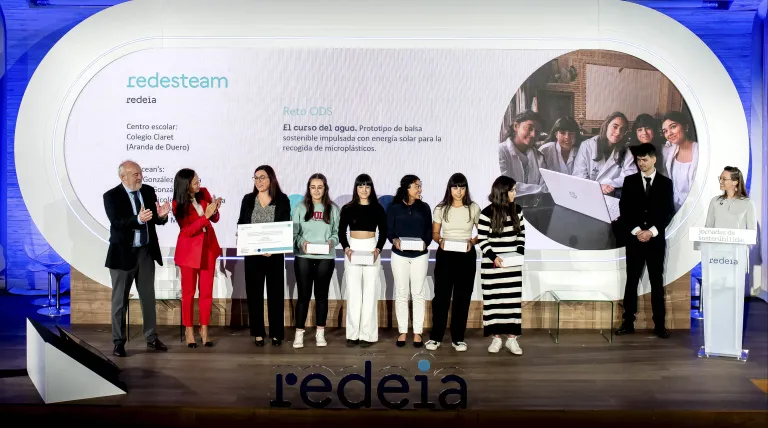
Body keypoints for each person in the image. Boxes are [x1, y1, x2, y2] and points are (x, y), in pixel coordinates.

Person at [103, 160, 170, 357]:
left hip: (145, 253)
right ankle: (118, 342)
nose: (140, 177)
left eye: (140, 173)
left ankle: (151, 337)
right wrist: (138, 219)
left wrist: (161, 216)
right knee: (120, 301)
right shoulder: (111, 196)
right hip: (123, 255)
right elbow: (117, 222)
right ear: (123, 177)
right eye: (135, 174)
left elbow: (154, 218)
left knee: (148, 298)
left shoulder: (148, 191)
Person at [616, 143, 675, 339]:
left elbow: (668, 211)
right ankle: (627, 322)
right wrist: (637, 231)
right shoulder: (630, 181)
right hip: (634, 240)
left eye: (644, 159)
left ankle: (659, 325)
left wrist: (651, 231)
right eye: (638, 160)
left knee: (656, 282)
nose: (641, 163)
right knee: (631, 281)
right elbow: (624, 210)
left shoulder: (665, 183)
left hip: (655, 241)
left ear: (654, 159)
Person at [425, 173, 480, 352]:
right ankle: (436, 337)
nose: (459, 191)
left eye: (462, 187)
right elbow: (435, 233)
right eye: (455, 187)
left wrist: (472, 242)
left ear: (466, 189)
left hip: (466, 256)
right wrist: (440, 240)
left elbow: (482, 232)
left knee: (462, 298)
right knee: (441, 297)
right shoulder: (441, 208)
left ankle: (458, 338)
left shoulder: (473, 208)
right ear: (449, 188)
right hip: (446, 255)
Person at [237, 165, 291, 347]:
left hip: (274, 256)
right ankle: (258, 333)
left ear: (271, 179)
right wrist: (240, 234)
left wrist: (274, 248)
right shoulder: (248, 199)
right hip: (253, 255)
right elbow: (241, 223)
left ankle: (276, 333)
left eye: (262, 177)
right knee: (254, 295)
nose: (258, 181)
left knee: (276, 295)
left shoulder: (282, 200)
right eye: (256, 178)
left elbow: (285, 225)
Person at [172, 169, 222, 348]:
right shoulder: (177, 204)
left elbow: (215, 219)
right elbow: (188, 231)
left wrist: (215, 209)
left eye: (198, 180)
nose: (198, 184)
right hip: (189, 252)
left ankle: (204, 330)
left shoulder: (204, 193)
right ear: (185, 185)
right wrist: (206, 216)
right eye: (195, 182)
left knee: (206, 292)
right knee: (188, 293)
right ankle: (189, 330)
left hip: (208, 249)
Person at [477, 176, 526, 355]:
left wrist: (518, 255)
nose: (515, 193)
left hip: (512, 267)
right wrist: (493, 257)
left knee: (512, 302)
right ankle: (496, 338)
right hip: (493, 267)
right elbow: (482, 240)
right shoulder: (486, 213)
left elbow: (521, 235)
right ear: (503, 192)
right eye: (512, 190)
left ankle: (512, 339)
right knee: (494, 302)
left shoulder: (517, 210)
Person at [292, 173, 340, 349]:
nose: (316, 191)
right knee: (303, 296)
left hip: (325, 257)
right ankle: (299, 334)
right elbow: (294, 233)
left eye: (320, 187)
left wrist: (331, 242)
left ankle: (320, 333)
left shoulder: (333, 209)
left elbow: (337, 233)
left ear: (325, 189)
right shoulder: (300, 208)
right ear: (309, 188)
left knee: (321, 296)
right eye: (313, 187)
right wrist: (301, 242)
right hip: (304, 257)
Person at [339, 174, 387, 347]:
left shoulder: (378, 208)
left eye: (367, 186)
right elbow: (341, 232)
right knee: (353, 292)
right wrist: (346, 248)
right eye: (360, 186)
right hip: (353, 248)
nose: (364, 190)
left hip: (371, 247)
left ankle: (367, 334)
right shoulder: (347, 208)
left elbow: (384, 231)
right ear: (356, 188)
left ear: (371, 188)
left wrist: (378, 249)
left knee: (370, 292)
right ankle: (352, 334)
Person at [387, 174, 432, 348]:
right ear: (407, 188)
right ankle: (403, 331)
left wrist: (425, 243)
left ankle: (418, 332)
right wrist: (394, 240)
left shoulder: (424, 207)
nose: (420, 189)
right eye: (416, 186)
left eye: (420, 186)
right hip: (399, 255)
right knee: (401, 293)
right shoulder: (394, 208)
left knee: (418, 293)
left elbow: (429, 231)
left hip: (420, 255)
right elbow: (389, 230)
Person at [573, 112, 637, 195]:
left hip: (611, 194)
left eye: (622, 129)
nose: (618, 132)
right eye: (615, 127)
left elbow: (631, 176)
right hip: (586, 193)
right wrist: (598, 187)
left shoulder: (625, 151)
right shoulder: (587, 146)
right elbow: (579, 175)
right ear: (606, 125)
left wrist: (609, 184)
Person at [498, 110, 548, 195]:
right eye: (529, 128)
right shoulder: (501, 151)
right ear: (516, 126)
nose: (533, 134)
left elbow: (545, 186)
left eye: (537, 131)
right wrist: (538, 189)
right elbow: (503, 185)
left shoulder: (539, 157)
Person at [660, 111, 699, 211]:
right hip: (673, 208)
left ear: (685, 127)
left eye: (673, 127)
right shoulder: (671, 151)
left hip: (694, 209)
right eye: (665, 131)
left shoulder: (700, 152)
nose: (669, 133)